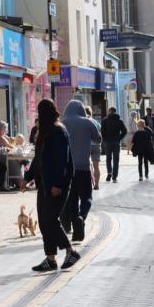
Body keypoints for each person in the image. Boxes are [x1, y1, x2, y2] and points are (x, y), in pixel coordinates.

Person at [21, 99, 80, 272]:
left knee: (51, 220)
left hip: (57, 185)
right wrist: (28, 177)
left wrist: (58, 184)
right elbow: (38, 159)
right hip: (45, 185)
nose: (39, 116)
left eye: (40, 112)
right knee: (44, 222)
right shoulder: (45, 132)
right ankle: (50, 259)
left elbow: (63, 161)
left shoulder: (58, 131)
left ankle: (70, 251)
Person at [62, 100, 101, 242]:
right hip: (83, 167)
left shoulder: (62, 123)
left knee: (71, 198)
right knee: (87, 197)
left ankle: (75, 228)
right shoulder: (88, 122)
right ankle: (81, 216)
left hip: (67, 169)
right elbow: (98, 139)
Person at [101, 107, 127, 183]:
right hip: (116, 142)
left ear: (109, 111)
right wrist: (119, 138)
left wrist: (105, 139)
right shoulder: (119, 120)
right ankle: (114, 177)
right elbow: (125, 131)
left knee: (108, 159)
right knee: (116, 160)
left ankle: (109, 172)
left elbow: (102, 131)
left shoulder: (105, 120)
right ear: (115, 112)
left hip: (108, 142)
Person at [84, 107, 103, 190]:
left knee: (85, 165)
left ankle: (87, 184)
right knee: (96, 166)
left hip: (86, 145)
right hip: (96, 145)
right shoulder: (96, 122)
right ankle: (97, 184)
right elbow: (99, 132)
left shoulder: (83, 121)